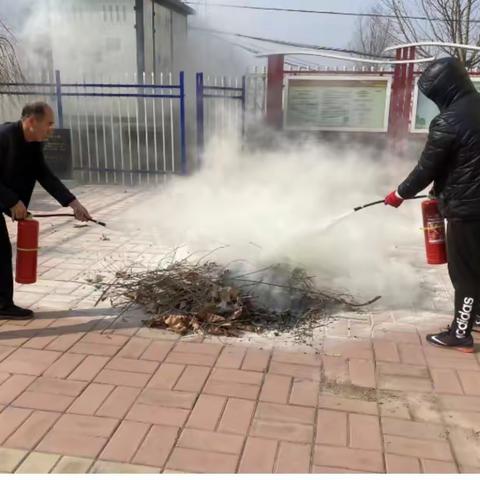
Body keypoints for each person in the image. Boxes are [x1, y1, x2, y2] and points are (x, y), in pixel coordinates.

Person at [385, 56, 480, 354]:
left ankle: (461, 333)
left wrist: (399, 194)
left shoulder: (448, 121)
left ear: (443, 89)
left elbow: (428, 168)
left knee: (464, 272)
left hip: (469, 209)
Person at [0, 101, 92, 319]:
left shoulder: (32, 143)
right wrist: (12, 201)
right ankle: (3, 305)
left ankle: (3, 304)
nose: (52, 129)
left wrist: (73, 203)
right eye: (48, 124)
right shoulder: (4, 136)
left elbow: (45, 175)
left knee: (1, 252)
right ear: (32, 121)